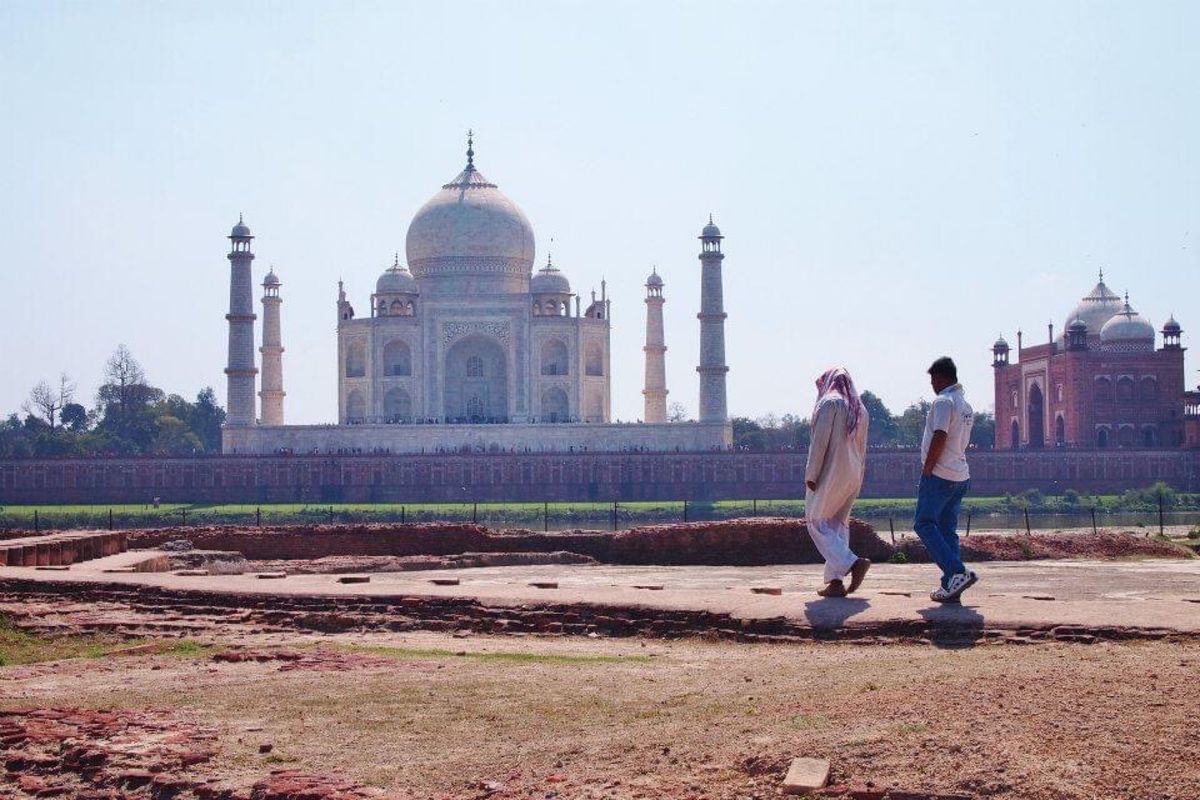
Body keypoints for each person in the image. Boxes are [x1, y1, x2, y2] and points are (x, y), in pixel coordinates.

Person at [804, 367, 871, 597]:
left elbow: (819, 442)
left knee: (815, 520)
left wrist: (812, 475)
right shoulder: (860, 409)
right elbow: (862, 448)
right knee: (837, 524)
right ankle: (835, 582)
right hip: (853, 472)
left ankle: (852, 563)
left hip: (830, 471)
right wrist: (859, 477)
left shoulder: (829, 404)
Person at [915, 357, 977, 603]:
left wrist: (928, 467)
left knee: (924, 524)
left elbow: (940, 435)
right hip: (960, 475)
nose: (932, 385)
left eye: (933, 380)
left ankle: (957, 571)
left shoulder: (943, 401)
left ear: (941, 378)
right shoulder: (966, 405)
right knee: (947, 530)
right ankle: (951, 585)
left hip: (939, 475)